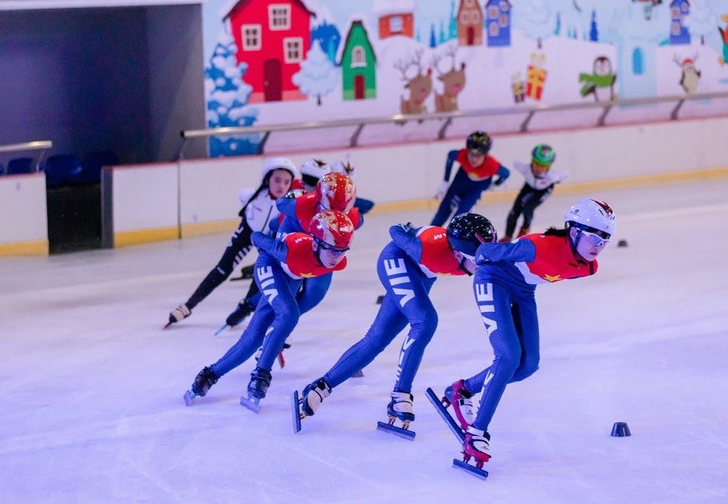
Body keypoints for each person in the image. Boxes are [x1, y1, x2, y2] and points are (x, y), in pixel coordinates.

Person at [442, 198, 616, 469]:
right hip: (493, 280)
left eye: (606, 238)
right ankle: (477, 433)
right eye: (594, 235)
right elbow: (492, 253)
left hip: (524, 291)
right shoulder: (538, 246)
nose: (600, 245)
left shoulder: (588, 267)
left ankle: (462, 390)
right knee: (508, 356)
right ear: (574, 231)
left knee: (527, 366)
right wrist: (473, 250)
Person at [295, 213, 498, 433]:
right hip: (396, 260)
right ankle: (401, 393)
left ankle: (320, 387)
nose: (484, 264)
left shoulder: (467, 255)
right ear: (458, 253)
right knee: (425, 320)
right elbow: (394, 230)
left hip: (421, 274)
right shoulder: (426, 247)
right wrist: (406, 227)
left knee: (377, 338)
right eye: (478, 260)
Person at [183, 210, 355, 408]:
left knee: (253, 337)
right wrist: (275, 243)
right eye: (332, 250)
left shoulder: (338, 261)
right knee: (290, 313)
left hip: (290, 277)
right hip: (270, 267)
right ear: (315, 243)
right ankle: (261, 375)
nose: (337, 257)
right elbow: (255, 237)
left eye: (343, 250)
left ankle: (208, 375)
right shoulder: (291, 250)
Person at [218, 172, 362, 334]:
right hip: (294, 239)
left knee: (315, 294)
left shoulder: (352, 216)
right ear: (318, 199)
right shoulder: (302, 204)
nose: (334, 217)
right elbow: (280, 208)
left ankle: (282, 323)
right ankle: (249, 305)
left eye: (341, 213)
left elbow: (359, 219)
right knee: (287, 285)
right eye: (328, 209)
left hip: (320, 248)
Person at [164, 156, 297, 329]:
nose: (281, 186)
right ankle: (188, 306)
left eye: (286, 182)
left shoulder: (288, 204)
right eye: (277, 180)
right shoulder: (249, 196)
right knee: (221, 269)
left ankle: (245, 307)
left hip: (267, 239)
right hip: (247, 231)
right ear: (267, 179)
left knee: (263, 271)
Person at [431, 131, 510, 227]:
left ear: (485, 154)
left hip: (477, 187)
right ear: (467, 150)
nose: (474, 159)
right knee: (443, 211)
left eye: (478, 156)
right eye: (471, 154)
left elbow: (506, 173)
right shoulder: (462, 155)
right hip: (461, 180)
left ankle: (451, 239)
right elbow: (450, 156)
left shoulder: (492, 165)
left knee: (459, 218)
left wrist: (495, 184)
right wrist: (445, 181)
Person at [501, 144, 568, 242]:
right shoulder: (525, 169)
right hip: (528, 187)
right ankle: (508, 236)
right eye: (536, 163)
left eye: (543, 166)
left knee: (528, 208)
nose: (538, 169)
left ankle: (524, 230)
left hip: (543, 190)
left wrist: (558, 180)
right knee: (514, 211)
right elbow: (515, 163)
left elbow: (565, 173)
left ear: (549, 167)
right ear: (531, 161)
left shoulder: (552, 177)